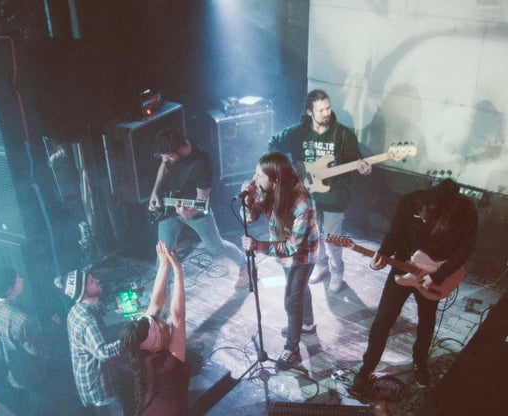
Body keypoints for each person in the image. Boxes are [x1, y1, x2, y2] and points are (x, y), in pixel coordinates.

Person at [351, 178, 478, 393]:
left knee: (426, 321)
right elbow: (394, 233)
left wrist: (439, 275)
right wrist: (382, 254)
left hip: (436, 274)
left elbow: (466, 249)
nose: (425, 218)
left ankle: (419, 362)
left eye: (432, 216)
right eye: (423, 213)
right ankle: (368, 367)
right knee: (383, 319)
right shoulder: (410, 202)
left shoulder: (465, 211)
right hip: (403, 267)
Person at [268, 89, 372, 294]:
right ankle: (322, 266)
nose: (326, 113)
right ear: (309, 112)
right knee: (312, 236)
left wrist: (365, 169)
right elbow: (273, 144)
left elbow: (358, 161)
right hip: (306, 196)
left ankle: (337, 272)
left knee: (332, 239)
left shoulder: (343, 135)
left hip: (335, 196)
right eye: (321, 110)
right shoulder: (298, 132)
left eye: (328, 108)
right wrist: (287, 168)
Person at [120, 242, 190, 416]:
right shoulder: (172, 359)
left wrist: (162, 266)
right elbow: (178, 316)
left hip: (150, 415)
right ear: (157, 339)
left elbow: (156, 302)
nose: (162, 322)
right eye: (160, 325)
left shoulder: (139, 344)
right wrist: (179, 273)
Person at [240, 152, 319, 371]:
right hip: (282, 252)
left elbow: (293, 247)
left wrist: (258, 246)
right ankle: (308, 324)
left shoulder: (303, 202)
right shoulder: (268, 191)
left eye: (259, 176)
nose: (254, 179)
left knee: (291, 300)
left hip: (302, 255)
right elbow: (249, 217)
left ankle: (292, 350)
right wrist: (248, 201)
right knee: (299, 289)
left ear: (275, 181)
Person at [149, 128, 247, 287]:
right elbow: (164, 167)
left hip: (196, 211)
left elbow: (202, 200)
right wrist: (155, 192)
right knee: (164, 253)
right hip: (170, 209)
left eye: (169, 156)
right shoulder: (169, 154)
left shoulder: (202, 162)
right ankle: (163, 296)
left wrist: (190, 213)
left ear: (180, 150)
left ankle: (245, 265)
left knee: (217, 247)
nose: (166, 159)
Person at [59, 269, 127, 416]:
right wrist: (133, 335)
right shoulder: (88, 319)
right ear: (83, 291)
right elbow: (103, 352)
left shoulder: (77, 310)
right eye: (90, 280)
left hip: (88, 383)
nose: (96, 280)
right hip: (100, 388)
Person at [0, 267, 49, 416]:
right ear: (10, 289)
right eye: (17, 279)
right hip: (25, 375)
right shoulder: (20, 320)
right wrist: (53, 327)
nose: (22, 279)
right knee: (39, 409)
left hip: (1, 371)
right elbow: (38, 350)